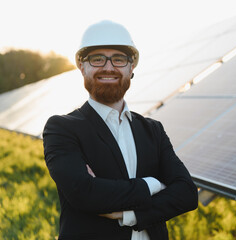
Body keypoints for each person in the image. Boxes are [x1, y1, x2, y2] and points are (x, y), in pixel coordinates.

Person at [43, 20, 198, 240]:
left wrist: (130, 213)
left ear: (131, 67)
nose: (108, 67)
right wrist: (153, 184)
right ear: (81, 66)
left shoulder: (153, 130)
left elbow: (187, 194)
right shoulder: (62, 128)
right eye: (97, 59)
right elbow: (83, 193)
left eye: (119, 59)